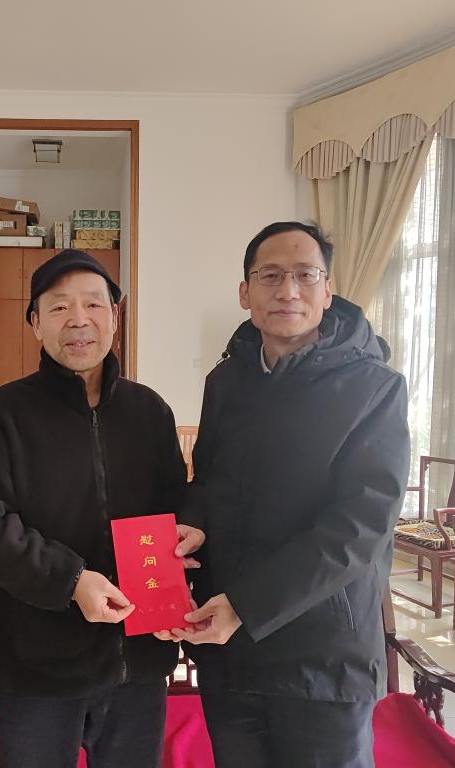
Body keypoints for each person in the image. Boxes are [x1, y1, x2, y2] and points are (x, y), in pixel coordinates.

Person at [0, 249, 203, 768]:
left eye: (93, 304)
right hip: (35, 669)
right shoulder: (3, 414)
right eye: (60, 307)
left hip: (138, 662)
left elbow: (173, 508)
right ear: (36, 323)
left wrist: (182, 564)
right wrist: (71, 581)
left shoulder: (149, 411)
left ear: (115, 316)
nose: (79, 320)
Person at [169, 222, 410, 767]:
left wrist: (247, 606)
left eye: (305, 275)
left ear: (328, 290)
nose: (288, 291)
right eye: (270, 276)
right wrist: (194, 520)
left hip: (323, 654)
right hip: (230, 648)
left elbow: (361, 528)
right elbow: (209, 478)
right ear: (245, 291)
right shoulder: (226, 381)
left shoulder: (375, 388)